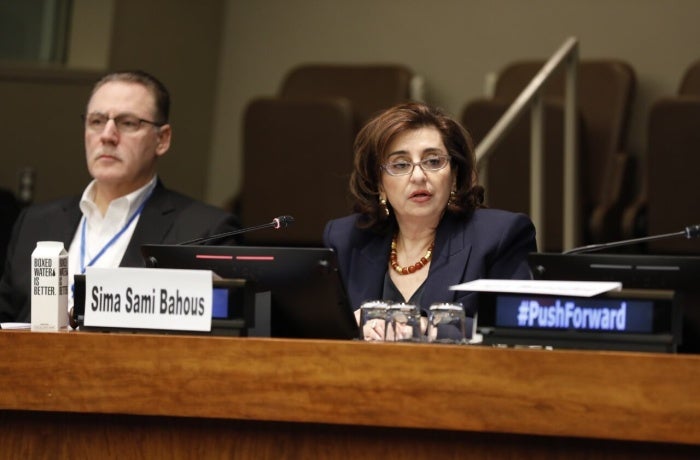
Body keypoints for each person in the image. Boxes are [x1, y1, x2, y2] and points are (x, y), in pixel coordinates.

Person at [0, 70, 240, 323]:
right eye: (96, 121)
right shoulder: (36, 223)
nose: (107, 135)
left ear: (162, 139)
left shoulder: (205, 232)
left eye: (128, 123)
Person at [323, 102, 537, 339]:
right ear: (379, 184)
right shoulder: (346, 239)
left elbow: (518, 329)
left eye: (433, 161)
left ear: (454, 175)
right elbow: (314, 331)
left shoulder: (499, 236)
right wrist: (346, 326)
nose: (418, 176)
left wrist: (426, 326)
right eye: (400, 165)